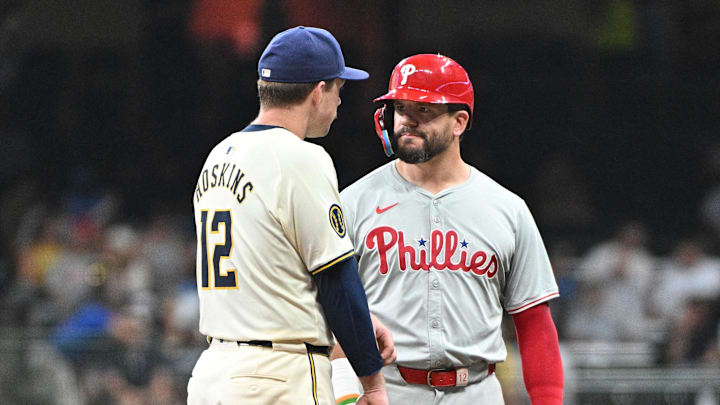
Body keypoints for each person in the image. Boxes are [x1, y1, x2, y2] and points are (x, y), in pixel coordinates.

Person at [331, 54, 564, 404]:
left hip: (476, 390)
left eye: (424, 110)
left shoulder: (507, 209)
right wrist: (345, 396)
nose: (407, 120)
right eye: (400, 107)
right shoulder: (354, 202)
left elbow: (534, 324)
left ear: (459, 122)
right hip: (387, 391)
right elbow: (330, 312)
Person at [187, 26, 394, 405]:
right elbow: (337, 279)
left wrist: (356, 327)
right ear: (318, 92)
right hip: (276, 378)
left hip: (212, 374)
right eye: (338, 89)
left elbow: (270, 274)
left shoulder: (218, 154)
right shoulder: (301, 158)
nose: (340, 102)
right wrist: (373, 382)